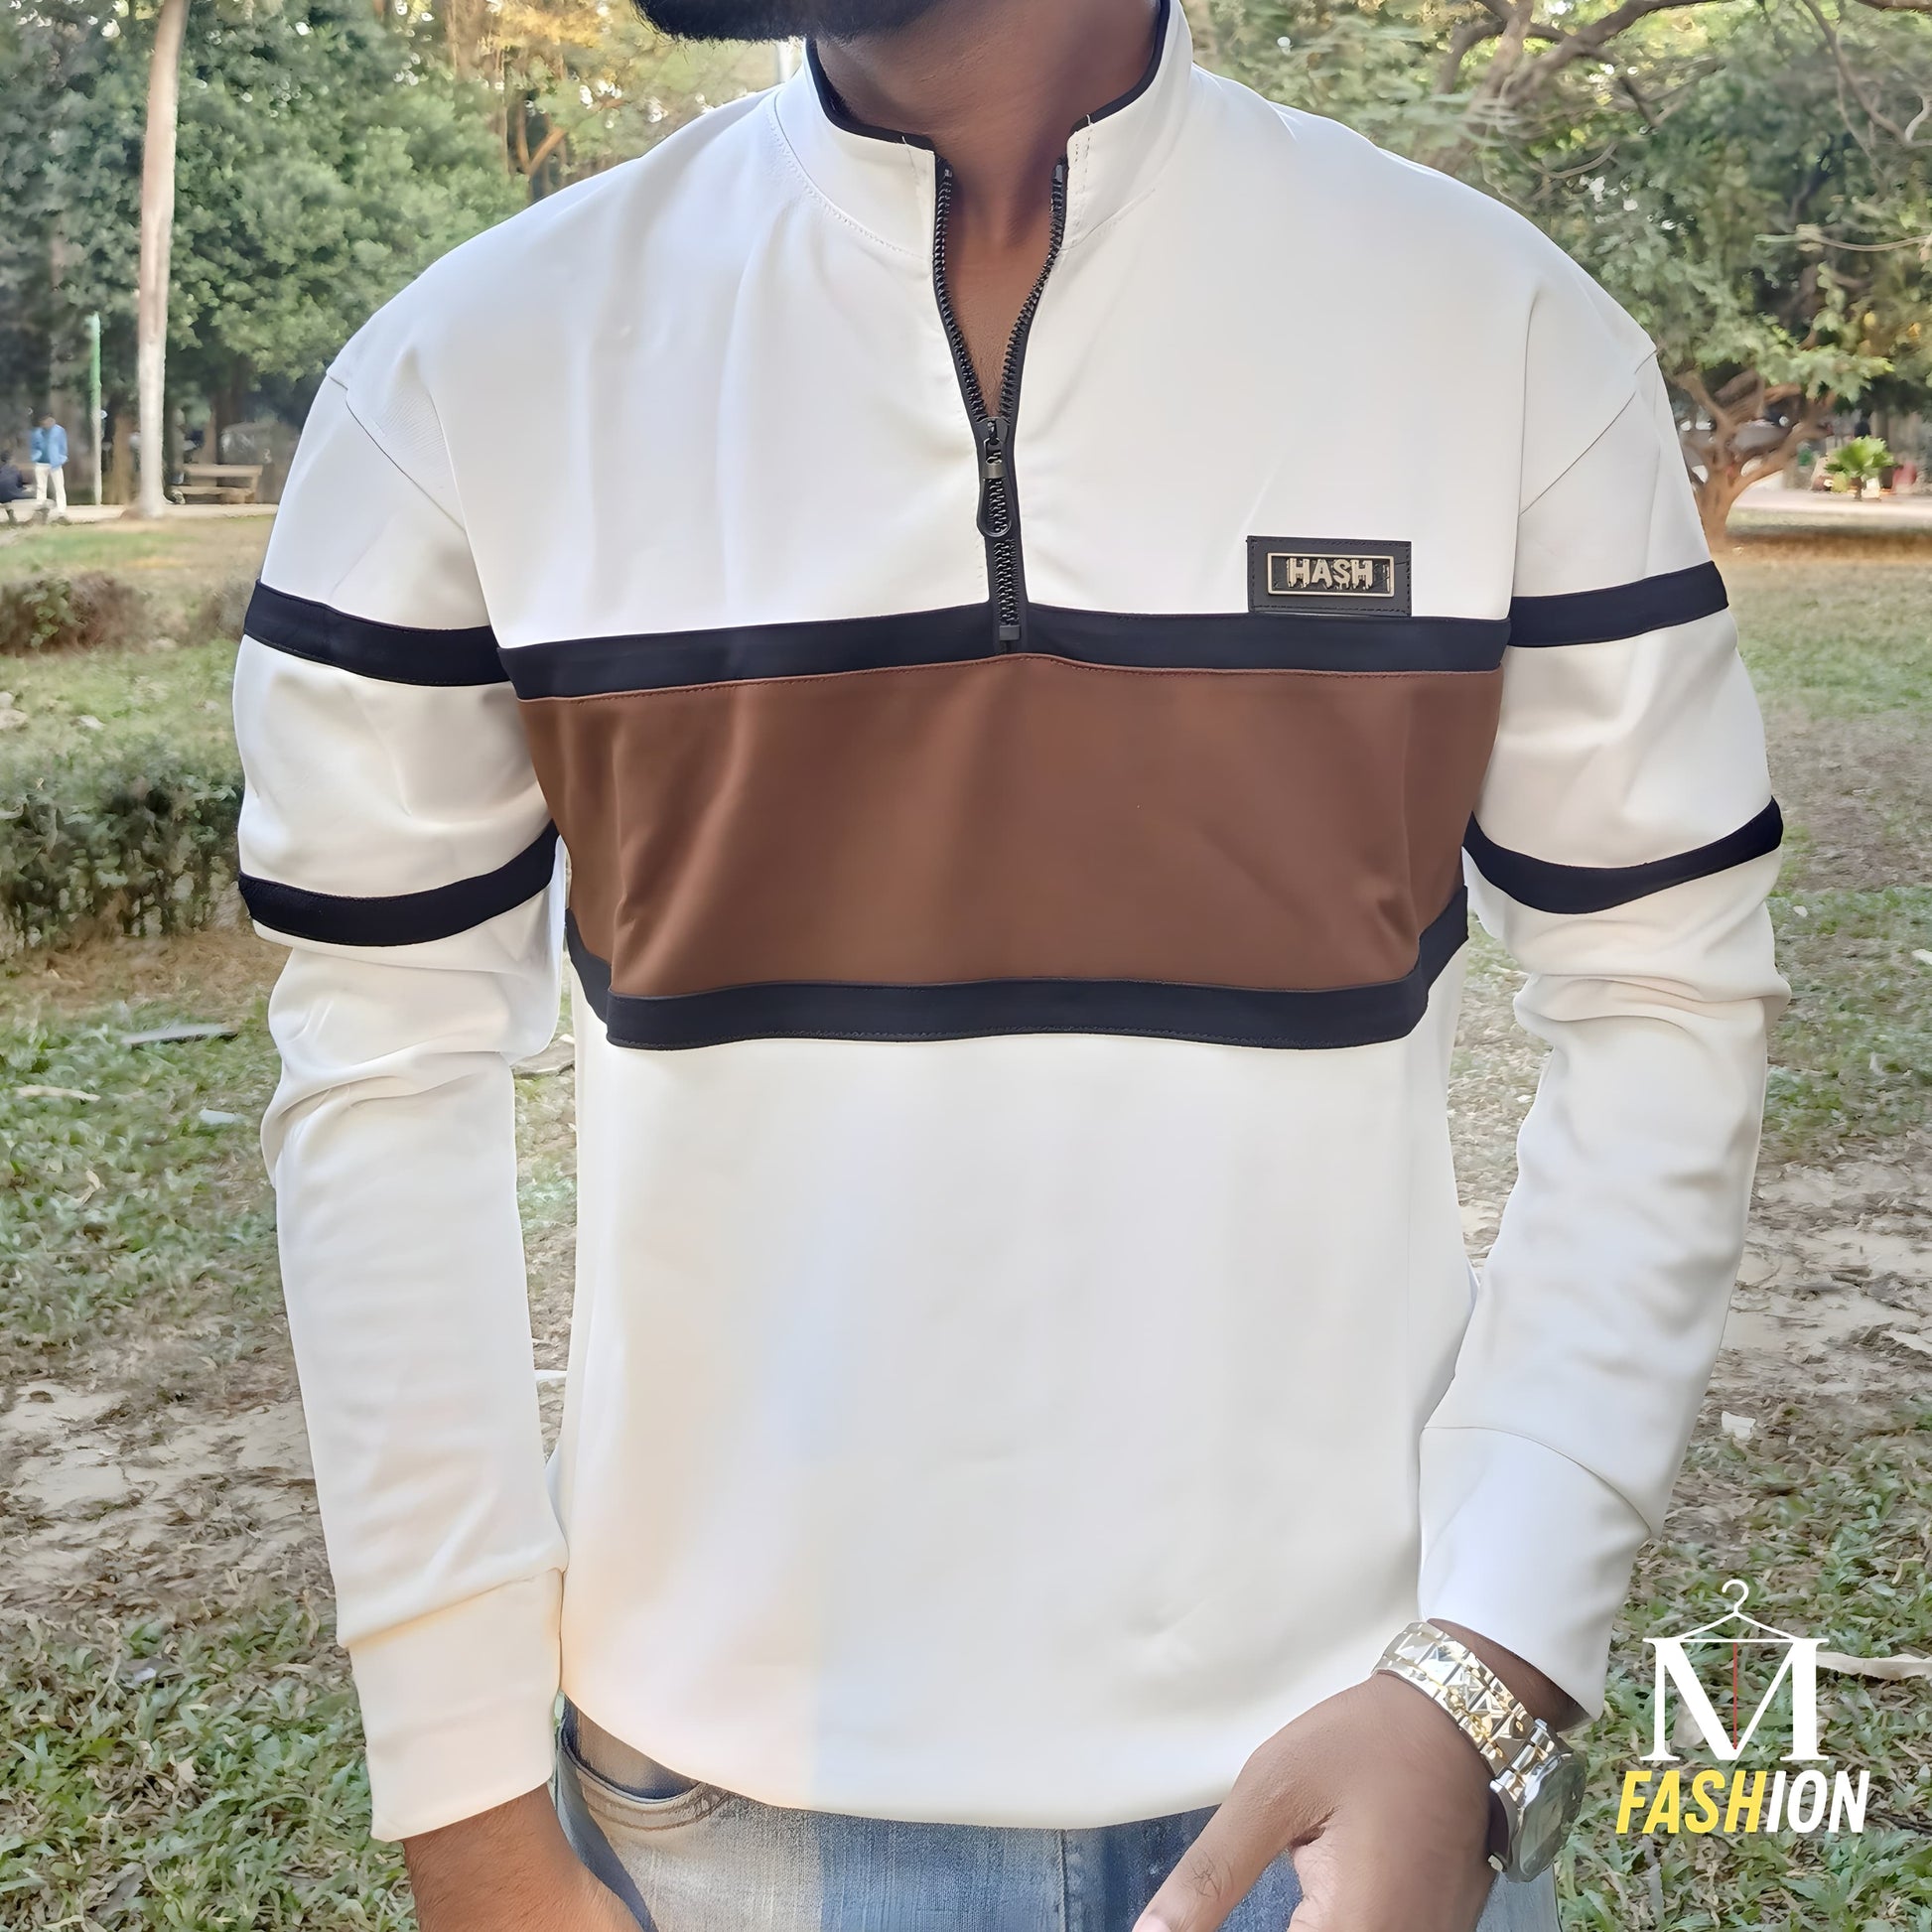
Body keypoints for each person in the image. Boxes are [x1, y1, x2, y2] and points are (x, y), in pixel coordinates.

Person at [231, 2, 1785, 1928]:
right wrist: (472, 1831)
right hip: (707, 1835)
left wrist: (1489, 1669)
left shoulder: (1499, 332)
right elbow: (379, 1068)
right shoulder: (465, 375)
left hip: (1359, 1810)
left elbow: (1662, 988)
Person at [30, 413, 68, 521]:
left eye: (49, 421)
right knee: (41, 487)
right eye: (44, 421)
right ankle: (40, 508)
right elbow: (33, 447)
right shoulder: (37, 432)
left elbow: (63, 445)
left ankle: (61, 512)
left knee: (59, 487)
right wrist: (35, 457)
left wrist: (61, 458)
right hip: (41, 463)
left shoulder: (59, 431)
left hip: (55, 463)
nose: (47, 423)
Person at [0, 450, 26, 526]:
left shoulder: (1, 469)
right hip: (12, 494)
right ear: (12, 459)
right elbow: (19, 484)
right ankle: (11, 516)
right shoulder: (15, 469)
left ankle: (10, 515)